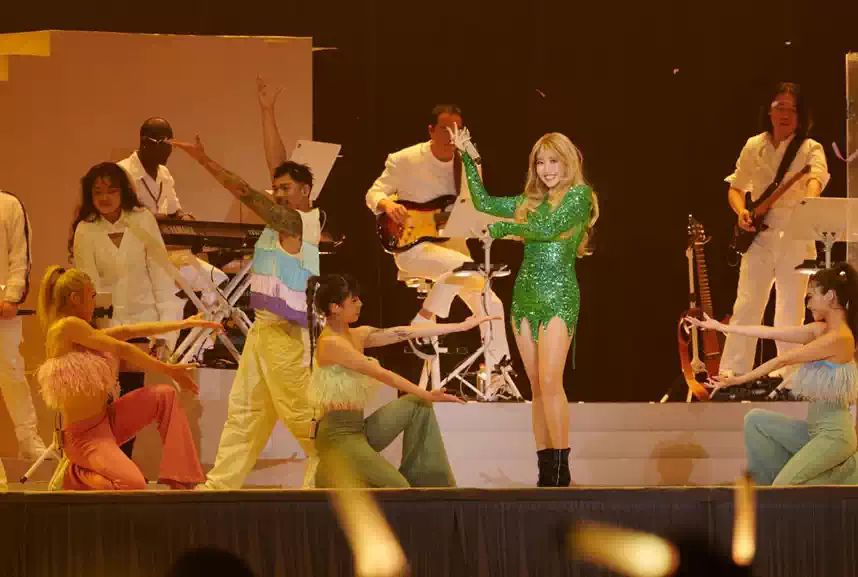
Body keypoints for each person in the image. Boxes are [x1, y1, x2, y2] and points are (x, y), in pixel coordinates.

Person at [171, 120, 323, 489]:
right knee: (245, 414)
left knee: (303, 415)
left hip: (288, 335)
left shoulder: (298, 222)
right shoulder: (285, 217)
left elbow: (241, 189)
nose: (278, 193)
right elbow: (277, 163)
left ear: (305, 190)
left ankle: (332, 478)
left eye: (286, 188)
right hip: (263, 332)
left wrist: (204, 160)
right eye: (277, 188)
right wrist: (267, 111)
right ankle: (220, 485)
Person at [449, 126, 599, 487]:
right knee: (536, 386)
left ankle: (561, 471)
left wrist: (504, 230)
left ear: (568, 162)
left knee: (550, 380)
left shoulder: (579, 196)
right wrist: (468, 155)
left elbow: (547, 229)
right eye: (541, 163)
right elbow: (483, 203)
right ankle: (545, 472)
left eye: (553, 162)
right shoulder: (530, 202)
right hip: (525, 295)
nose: (547, 170)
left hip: (559, 295)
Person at [35, 266, 218, 490]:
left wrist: (184, 324)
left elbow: (130, 331)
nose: (95, 303)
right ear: (75, 298)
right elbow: (121, 348)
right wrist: (168, 369)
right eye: (92, 296)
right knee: (132, 484)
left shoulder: (81, 333)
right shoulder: (67, 327)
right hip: (84, 437)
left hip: (107, 421)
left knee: (165, 396)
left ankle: (181, 479)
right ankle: (73, 474)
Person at [308, 273, 496, 488]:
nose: (360, 304)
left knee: (417, 406)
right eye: (354, 300)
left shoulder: (358, 335)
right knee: (398, 488)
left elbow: (405, 332)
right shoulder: (330, 344)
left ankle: (426, 485)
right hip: (337, 439)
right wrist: (427, 393)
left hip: (359, 430)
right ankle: (333, 472)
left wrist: (460, 326)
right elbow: (383, 374)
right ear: (335, 307)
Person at [365, 105, 510, 379]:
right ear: (431, 131)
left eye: (457, 129)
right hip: (412, 247)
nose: (451, 135)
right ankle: (422, 321)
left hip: (454, 247)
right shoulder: (404, 159)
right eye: (444, 128)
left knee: (492, 303)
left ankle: (498, 374)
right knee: (462, 266)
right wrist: (387, 205)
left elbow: (476, 207)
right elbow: (373, 194)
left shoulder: (467, 164)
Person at [686, 263, 858, 485]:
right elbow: (770, 332)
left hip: (834, 436)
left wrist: (737, 380)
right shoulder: (820, 330)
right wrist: (721, 327)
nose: (808, 302)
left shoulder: (840, 338)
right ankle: (769, 494)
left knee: (783, 487)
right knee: (755, 421)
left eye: (812, 295)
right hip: (813, 431)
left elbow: (782, 360)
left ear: (830, 296)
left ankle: (844, 476)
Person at [71, 162, 185, 459]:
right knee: (107, 399)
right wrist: (95, 332)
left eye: (111, 190)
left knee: (133, 397)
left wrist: (166, 331)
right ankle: (109, 464)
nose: (105, 197)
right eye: (98, 192)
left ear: (123, 191)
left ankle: (124, 465)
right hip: (105, 326)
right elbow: (88, 285)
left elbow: (160, 273)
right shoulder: (85, 229)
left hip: (142, 320)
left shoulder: (142, 219)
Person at [719, 82, 830, 379]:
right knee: (747, 304)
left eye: (792, 109)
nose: (785, 114)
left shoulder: (810, 147)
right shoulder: (753, 145)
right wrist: (741, 212)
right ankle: (732, 374)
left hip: (796, 236)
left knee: (790, 309)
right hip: (760, 235)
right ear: (769, 112)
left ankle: (789, 376)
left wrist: (809, 200)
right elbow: (736, 188)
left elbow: (817, 177)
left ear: (801, 115)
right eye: (779, 107)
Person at [0, 190, 47, 458]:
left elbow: (20, 255)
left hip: (2, 310)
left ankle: (28, 439)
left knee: (10, 370)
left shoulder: (8, 205)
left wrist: (12, 296)